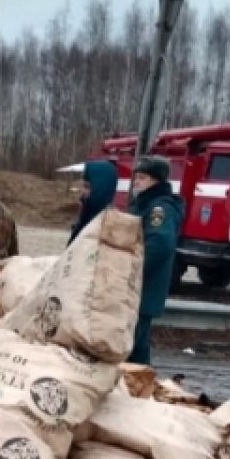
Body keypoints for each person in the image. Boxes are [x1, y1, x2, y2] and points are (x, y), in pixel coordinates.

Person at [128, 156, 184, 365]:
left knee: (132, 347)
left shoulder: (160, 209)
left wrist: (132, 269)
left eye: (142, 178)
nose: (136, 182)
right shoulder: (144, 204)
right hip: (136, 291)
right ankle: (140, 389)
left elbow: (160, 244)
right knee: (134, 349)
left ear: (156, 182)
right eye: (136, 177)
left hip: (144, 289)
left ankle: (138, 390)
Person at [68, 160, 119, 244]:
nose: (83, 191)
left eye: (87, 186)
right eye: (83, 186)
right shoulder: (87, 210)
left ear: (101, 188)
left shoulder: (110, 224)